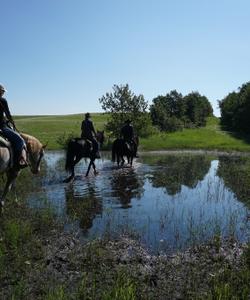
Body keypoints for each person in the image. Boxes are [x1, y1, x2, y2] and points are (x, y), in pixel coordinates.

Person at [0, 84, 27, 168]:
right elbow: (7, 114)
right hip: (2, 126)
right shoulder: (2, 101)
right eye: (3, 91)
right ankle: (18, 162)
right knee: (20, 141)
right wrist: (12, 122)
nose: (3, 93)